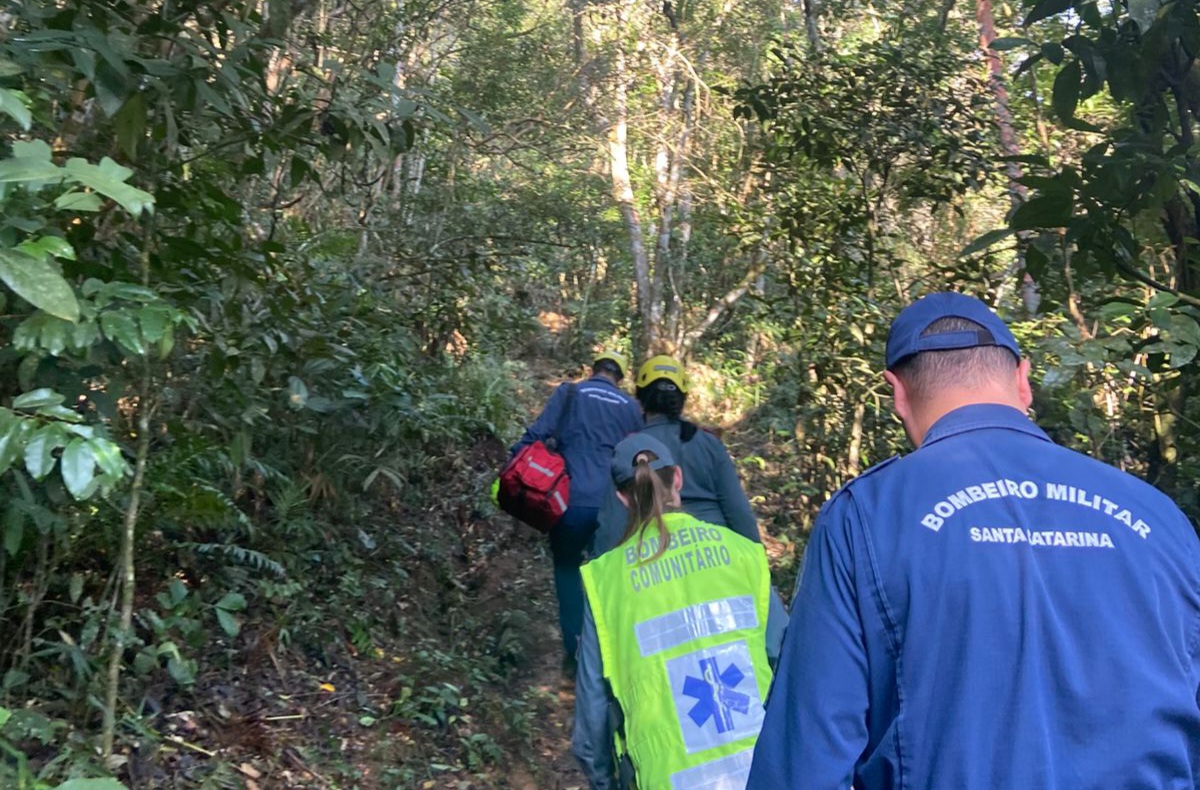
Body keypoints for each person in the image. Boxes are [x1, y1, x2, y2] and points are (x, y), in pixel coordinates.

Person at [746, 292, 1200, 789]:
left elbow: (804, 762)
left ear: (896, 392)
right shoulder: (1157, 517)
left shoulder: (866, 516)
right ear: (1023, 381)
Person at [574, 432, 787, 790]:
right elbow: (791, 661)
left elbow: (591, 717)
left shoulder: (605, 581)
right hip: (761, 770)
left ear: (622, 498)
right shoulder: (743, 554)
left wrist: (603, 781)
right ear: (678, 480)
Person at [511, 351, 643, 671]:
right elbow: (642, 455)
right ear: (620, 378)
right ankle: (611, 658)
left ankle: (575, 652)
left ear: (593, 371)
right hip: (615, 508)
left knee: (568, 570)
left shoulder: (569, 392)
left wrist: (513, 466)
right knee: (610, 578)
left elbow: (537, 434)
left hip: (568, 503)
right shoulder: (630, 407)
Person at [592, 355, 760, 555]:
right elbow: (738, 510)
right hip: (716, 551)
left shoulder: (630, 450)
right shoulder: (708, 443)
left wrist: (602, 567)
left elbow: (613, 520)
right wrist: (756, 559)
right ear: (682, 398)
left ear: (640, 397)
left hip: (654, 554)